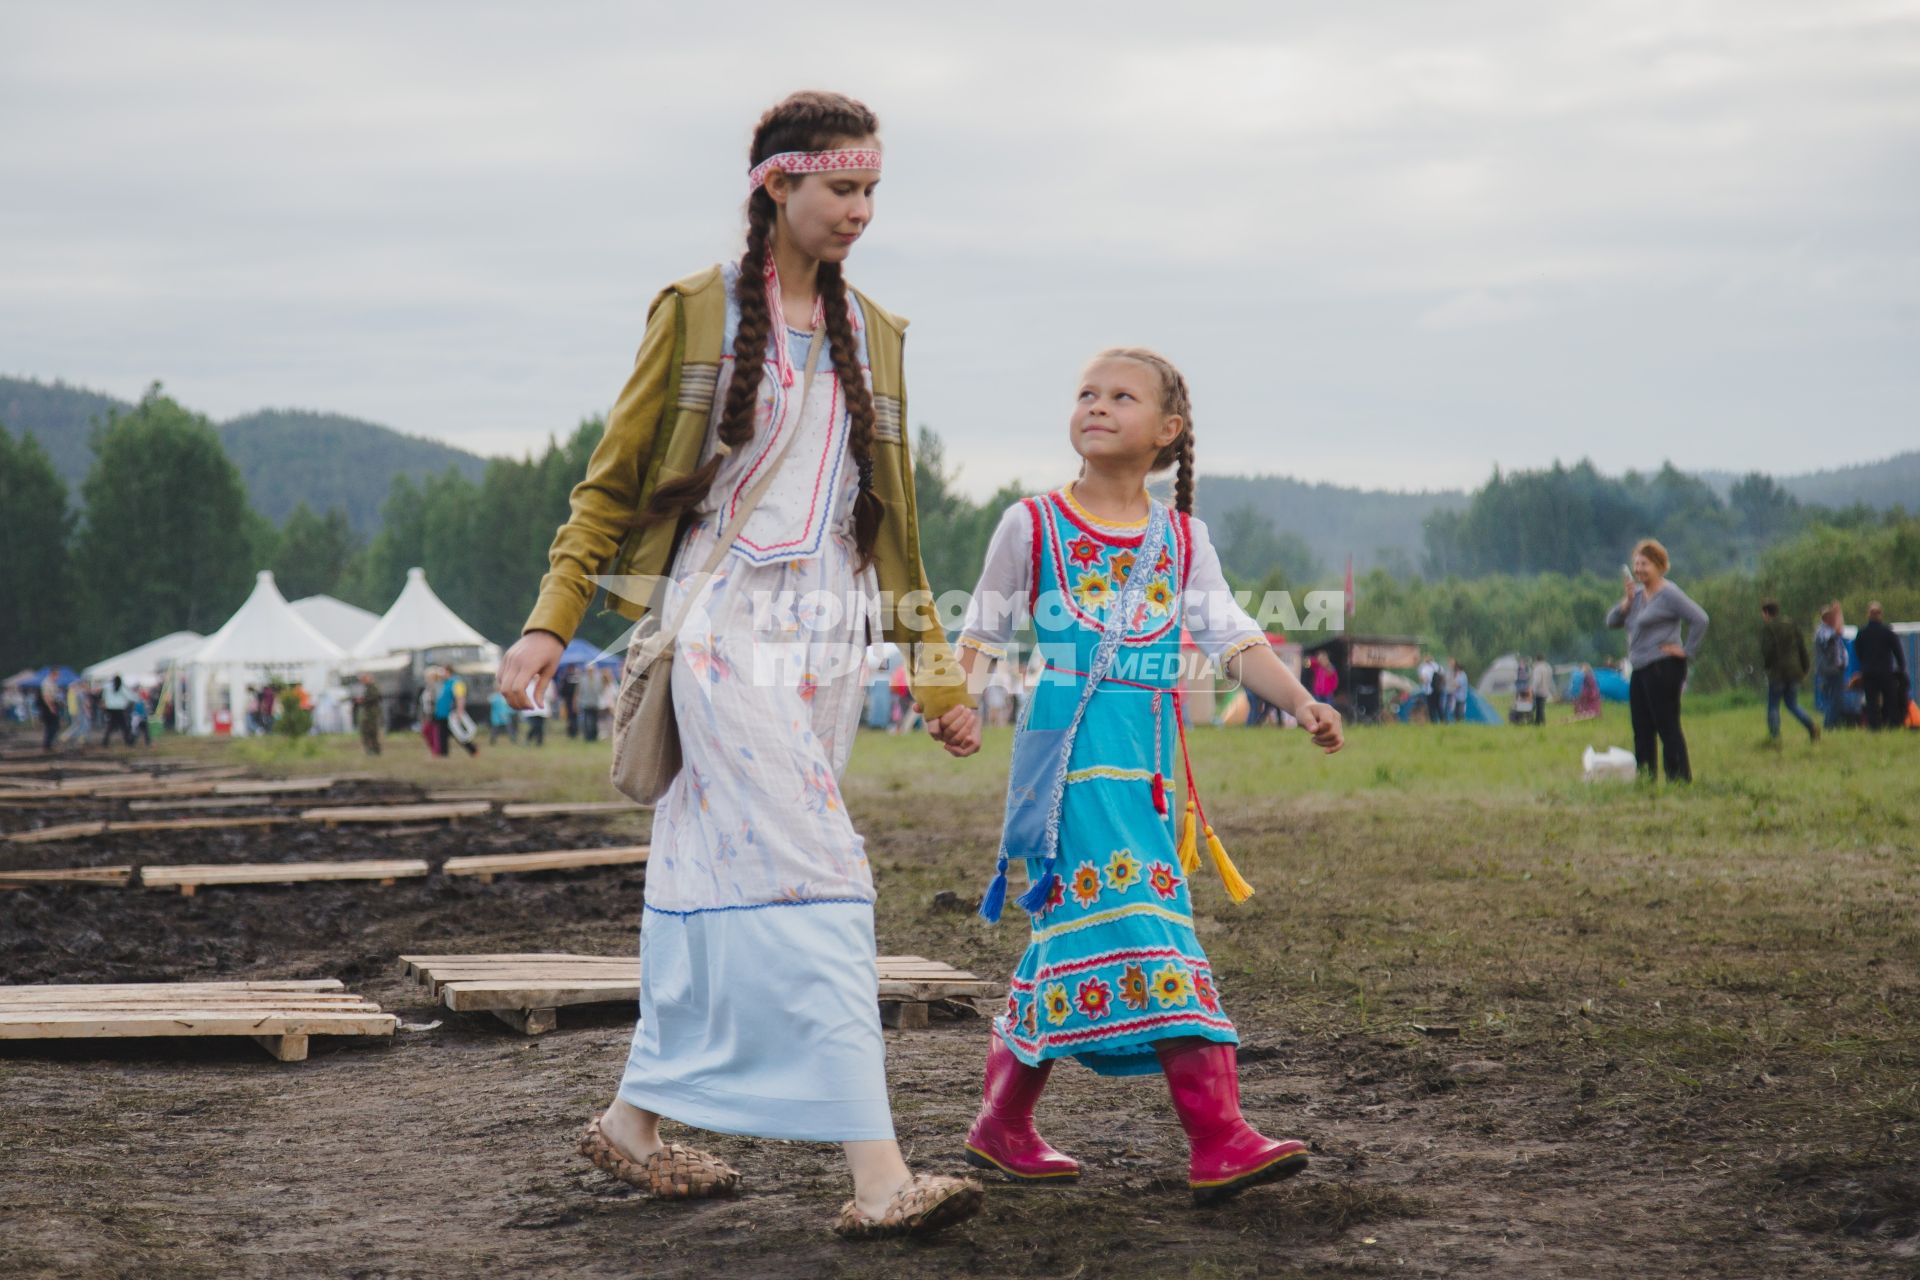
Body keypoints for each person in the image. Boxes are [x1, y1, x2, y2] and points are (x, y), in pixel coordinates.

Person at [493, 92, 983, 1239]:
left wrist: (936, 675)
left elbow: (895, 522)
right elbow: (608, 488)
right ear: (779, 186)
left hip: (828, 643)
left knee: (715, 872)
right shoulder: (697, 313)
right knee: (824, 874)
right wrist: (550, 621)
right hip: (718, 631)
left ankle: (630, 1124)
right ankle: (877, 1176)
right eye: (841, 189)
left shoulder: (881, 334)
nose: (860, 211)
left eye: (872, 191)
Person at [955, 347, 1344, 1207]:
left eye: (1121, 397)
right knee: (1151, 923)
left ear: (1167, 432)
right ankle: (1218, 1137)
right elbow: (982, 625)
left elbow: (1232, 637)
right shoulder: (1032, 525)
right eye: (1085, 393)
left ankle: (1001, 1123)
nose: (1096, 405)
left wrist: (1299, 700)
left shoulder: (1182, 538)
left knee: (1077, 933)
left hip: (1144, 766)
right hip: (1064, 768)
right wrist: (960, 700)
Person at [1606, 538, 1708, 782]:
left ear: (1659, 565)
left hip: (1663, 666)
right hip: (1639, 668)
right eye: (1636, 564)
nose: (1639, 569)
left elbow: (1700, 619)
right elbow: (1612, 621)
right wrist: (1627, 602)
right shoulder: (1638, 596)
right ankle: (1645, 778)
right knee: (1641, 727)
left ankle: (1679, 779)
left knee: (1667, 725)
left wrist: (1686, 650)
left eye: (1645, 564)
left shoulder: (1669, 594)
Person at [1758, 600, 1818, 744]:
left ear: (1766, 613)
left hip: (1778, 673)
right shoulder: (1791, 624)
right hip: (1794, 671)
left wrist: (1767, 666)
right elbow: (1801, 647)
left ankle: (1775, 738)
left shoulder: (1768, 628)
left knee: (1773, 705)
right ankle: (1811, 726)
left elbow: (1768, 651)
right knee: (1792, 704)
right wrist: (1805, 667)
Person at [1854, 601, 1909, 730]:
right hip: (1885, 672)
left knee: (1871, 702)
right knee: (1890, 701)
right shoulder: (1887, 632)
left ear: (1868, 614)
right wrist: (1901, 668)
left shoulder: (1862, 633)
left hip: (1869, 672)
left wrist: (1864, 664)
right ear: (1880, 615)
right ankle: (1893, 725)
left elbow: (1858, 652)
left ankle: (1874, 727)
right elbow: (1897, 651)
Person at [1813, 601, 1850, 729]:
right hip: (1831, 670)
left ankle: (1833, 725)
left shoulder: (1827, 630)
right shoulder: (1824, 631)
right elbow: (1839, 631)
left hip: (1834, 670)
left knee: (1835, 699)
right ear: (1826, 618)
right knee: (1835, 699)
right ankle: (1829, 726)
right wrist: (1839, 612)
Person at [435, 668, 477, 757]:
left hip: (451, 713)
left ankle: (473, 750)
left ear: (449, 672)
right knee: (442, 734)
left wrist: (459, 711)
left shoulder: (457, 682)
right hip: (442, 713)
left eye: (444, 672)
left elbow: (460, 697)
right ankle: (443, 753)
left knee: (458, 734)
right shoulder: (445, 683)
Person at [100, 675, 136, 746]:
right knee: (124, 726)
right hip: (119, 709)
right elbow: (130, 697)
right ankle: (128, 741)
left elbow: (103, 697)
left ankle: (105, 741)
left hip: (110, 709)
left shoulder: (107, 687)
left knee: (111, 726)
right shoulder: (121, 687)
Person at [355, 674, 383, 756]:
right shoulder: (367, 688)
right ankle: (370, 750)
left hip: (372, 714)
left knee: (372, 732)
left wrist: (363, 700)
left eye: (364, 679)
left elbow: (375, 697)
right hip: (368, 714)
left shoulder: (373, 687)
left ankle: (375, 750)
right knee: (366, 732)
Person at [38, 672, 62, 752]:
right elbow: (46, 696)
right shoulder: (47, 683)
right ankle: (47, 745)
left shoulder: (52, 683)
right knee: (52, 726)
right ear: (53, 674)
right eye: (58, 675)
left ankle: (49, 744)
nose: (58, 677)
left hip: (51, 705)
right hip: (48, 707)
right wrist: (51, 707)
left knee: (53, 726)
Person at [1530, 655, 1554, 726]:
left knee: (1539, 708)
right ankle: (1537, 722)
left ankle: (1542, 722)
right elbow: (1550, 679)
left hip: (1539, 690)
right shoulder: (1547, 668)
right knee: (1540, 707)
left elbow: (1537, 680)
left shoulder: (1538, 668)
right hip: (1545, 690)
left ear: (1537, 660)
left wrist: (1532, 689)